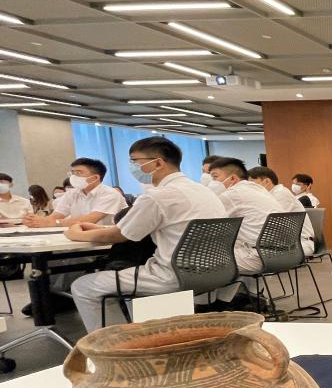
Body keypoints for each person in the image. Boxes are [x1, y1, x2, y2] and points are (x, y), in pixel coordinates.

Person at [67, 137, 227, 332]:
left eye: (135, 162)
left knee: (83, 286)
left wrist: (75, 234)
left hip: (173, 275)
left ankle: (115, 342)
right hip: (214, 271)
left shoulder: (157, 196)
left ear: (158, 163)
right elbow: (136, 227)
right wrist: (100, 229)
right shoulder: (202, 191)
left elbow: (118, 236)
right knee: (127, 276)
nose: (132, 167)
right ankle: (139, 334)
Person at [209, 157, 287, 283]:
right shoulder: (259, 189)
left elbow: (210, 222)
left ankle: (230, 294)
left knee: (197, 261)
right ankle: (243, 293)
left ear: (233, 178)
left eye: (215, 177)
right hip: (287, 252)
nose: (212, 182)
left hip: (262, 255)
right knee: (233, 245)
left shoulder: (232, 194)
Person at [24, 158, 126, 228]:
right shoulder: (72, 194)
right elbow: (56, 216)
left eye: (78, 173)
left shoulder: (110, 194)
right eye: (72, 173)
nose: (73, 177)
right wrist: (35, 221)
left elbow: (90, 220)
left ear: (95, 178)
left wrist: (52, 223)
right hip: (80, 237)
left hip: (109, 242)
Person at [248, 166, 315, 258]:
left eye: (252, 183)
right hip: (286, 243)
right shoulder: (270, 195)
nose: (249, 187)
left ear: (267, 181)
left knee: (249, 256)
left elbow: (272, 226)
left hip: (300, 243)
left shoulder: (280, 194)